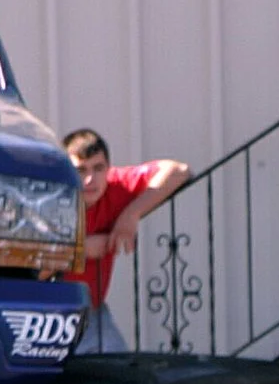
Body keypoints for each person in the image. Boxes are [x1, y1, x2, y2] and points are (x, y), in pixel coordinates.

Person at [62, 129, 190, 353]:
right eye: (80, 170)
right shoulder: (51, 196)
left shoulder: (116, 186)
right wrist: (82, 250)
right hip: (46, 314)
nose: (91, 179)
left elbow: (179, 171)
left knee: (118, 374)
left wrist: (131, 214)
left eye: (98, 168)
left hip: (93, 314)